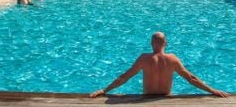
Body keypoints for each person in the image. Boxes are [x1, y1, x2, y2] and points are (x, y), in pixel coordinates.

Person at [90, 32, 228, 98]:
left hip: (145, 98)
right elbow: (191, 78)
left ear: (151, 44)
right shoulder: (173, 59)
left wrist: (105, 90)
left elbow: (124, 77)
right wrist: (212, 90)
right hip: (166, 98)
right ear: (165, 44)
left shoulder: (144, 58)